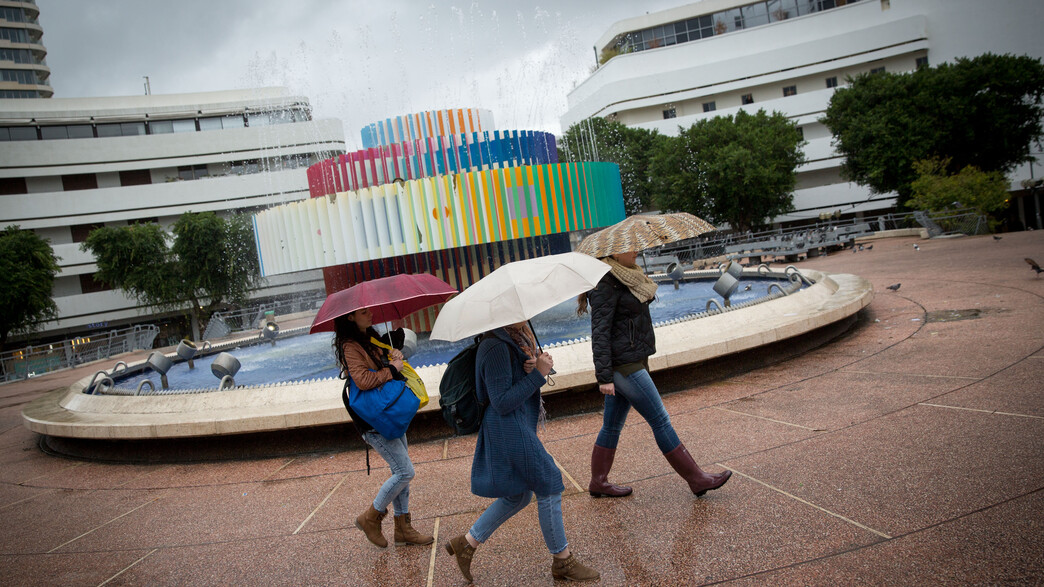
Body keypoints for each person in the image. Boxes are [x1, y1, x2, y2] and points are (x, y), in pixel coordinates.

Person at [444, 322, 599, 583]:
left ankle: (466, 543)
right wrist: (537, 374)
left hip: (516, 425)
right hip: (508, 428)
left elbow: (514, 386)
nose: (525, 316)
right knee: (549, 481)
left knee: (518, 495)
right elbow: (501, 401)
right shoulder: (494, 346)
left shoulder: (514, 341)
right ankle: (563, 561)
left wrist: (532, 367)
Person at [578, 250, 731, 498]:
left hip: (633, 358)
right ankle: (696, 478)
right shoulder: (606, 282)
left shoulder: (626, 277)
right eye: (630, 247)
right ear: (615, 253)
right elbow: (600, 332)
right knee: (660, 419)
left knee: (611, 425)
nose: (636, 251)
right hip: (624, 365)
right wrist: (604, 376)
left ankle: (598, 481)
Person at [333, 307, 433, 549]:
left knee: (401, 472)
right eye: (364, 312)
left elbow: (380, 369)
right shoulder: (350, 346)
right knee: (404, 472)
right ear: (350, 316)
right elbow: (364, 380)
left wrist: (392, 356)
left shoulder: (369, 338)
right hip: (374, 419)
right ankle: (370, 517)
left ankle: (403, 529)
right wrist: (392, 369)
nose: (370, 314)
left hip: (389, 414)